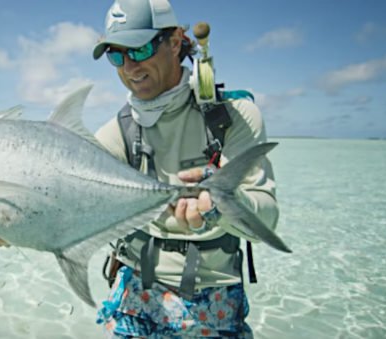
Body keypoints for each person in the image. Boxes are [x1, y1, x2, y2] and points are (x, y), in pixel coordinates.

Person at [90, 0, 279, 337]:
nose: (130, 67)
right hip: (135, 293)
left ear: (175, 41)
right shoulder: (116, 132)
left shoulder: (233, 116)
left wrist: (223, 204)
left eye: (140, 48)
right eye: (116, 55)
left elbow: (266, 219)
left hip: (213, 299)